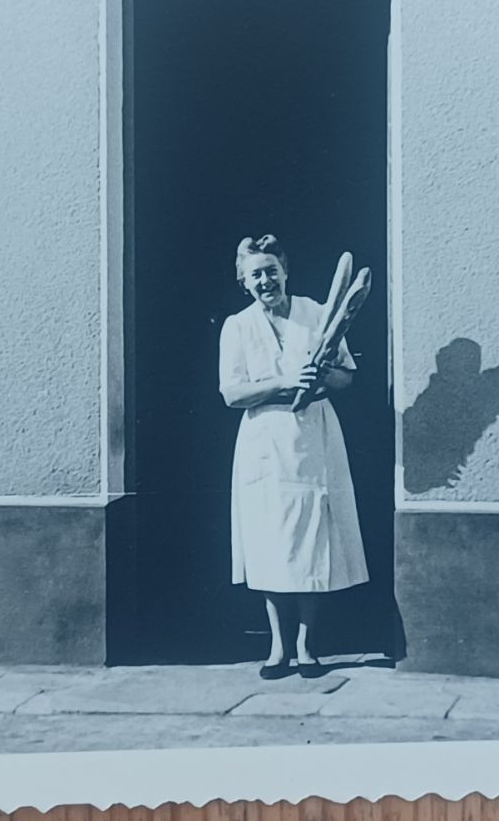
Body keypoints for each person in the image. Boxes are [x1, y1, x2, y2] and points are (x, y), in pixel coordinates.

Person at [218, 234, 370, 679]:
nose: (266, 280)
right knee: (271, 544)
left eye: (271, 270)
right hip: (264, 440)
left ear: (285, 270)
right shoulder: (237, 326)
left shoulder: (318, 315)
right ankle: (277, 647)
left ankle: (307, 645)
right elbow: (231, 393)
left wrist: (322, 372)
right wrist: (285, 383)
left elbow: (347, 379)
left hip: (313, 438)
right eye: (256, 275)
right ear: (244, 282)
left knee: (310, 542)